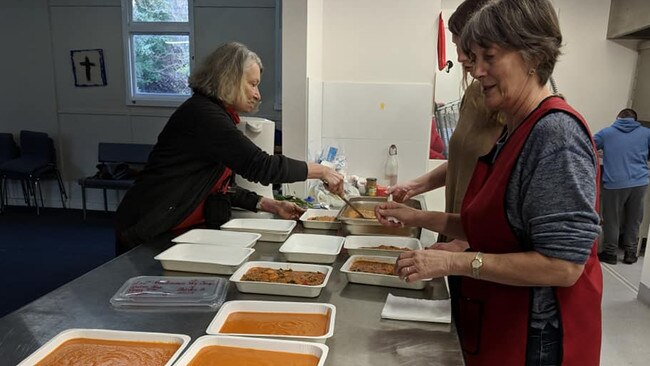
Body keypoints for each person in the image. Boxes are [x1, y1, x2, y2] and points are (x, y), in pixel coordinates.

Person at [377, 0, 602, 365]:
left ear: (532, 56)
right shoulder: (515, 128)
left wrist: (457, 264)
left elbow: (562, 266)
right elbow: (492, 229)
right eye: (473, 58)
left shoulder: (556, 136)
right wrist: (415, 217)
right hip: (499, 320)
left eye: (490, 57)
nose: (477, 71)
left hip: (535, 339)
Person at [115, 42, 343, 254]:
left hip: (180, 229)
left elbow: (219, 187)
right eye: (252, 84)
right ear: (230, 79)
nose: (258, 94)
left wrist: (270, 204)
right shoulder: (203, 115)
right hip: (151, 228)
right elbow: (260, 166)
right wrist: (321, 171)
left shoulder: (216, 114)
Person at [388, 0, 504, 253]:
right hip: (457, 231)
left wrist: (466, 243)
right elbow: (463, 161)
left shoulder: (514, 107)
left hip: (480, 247)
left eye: (465, 46)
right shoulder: (475, 94)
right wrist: (415, 186)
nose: (460, 57)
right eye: (457, 47)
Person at [595, 108, 650, 265]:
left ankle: (610, 253)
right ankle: (630, 253)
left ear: (618, 117)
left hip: (614, 183)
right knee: (634, 219)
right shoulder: (646, 133)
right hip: (639, 182)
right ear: (635, 120)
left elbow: (588, 145)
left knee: (612, 219)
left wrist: (604, 151)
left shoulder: (606, 133)